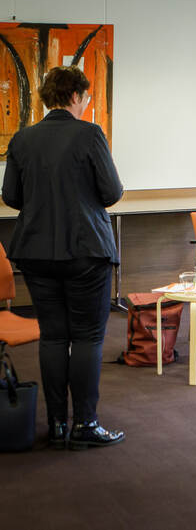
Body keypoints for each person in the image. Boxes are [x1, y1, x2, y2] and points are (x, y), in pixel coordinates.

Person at [1, 65, 125, 450]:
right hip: (86, 250)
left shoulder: (23, 138)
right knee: (87, 337)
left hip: (35, 252)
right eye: (86, 98)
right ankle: (84, 423)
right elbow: (111, 192)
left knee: (53, 336)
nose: (86, 104)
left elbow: (11, 197)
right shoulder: (90, 134)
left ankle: (56, 424)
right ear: (76, 96)